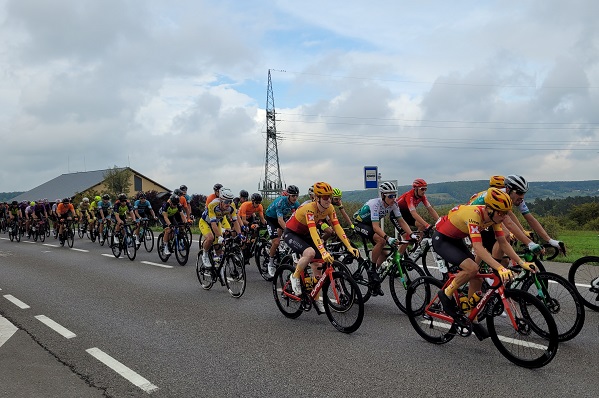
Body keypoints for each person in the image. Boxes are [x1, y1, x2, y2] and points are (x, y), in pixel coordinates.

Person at [433, 188, 537, 340]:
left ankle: (472, 319)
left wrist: (522, 262)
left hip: (456, 239)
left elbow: (502, 242)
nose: (504, 216)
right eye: (501, 213)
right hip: (442, 239)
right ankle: (446, 293)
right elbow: (478, 248)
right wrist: (500, 267)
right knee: (472, 268)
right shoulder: (474, 215)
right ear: (490, 209)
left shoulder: (494, 217)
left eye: (506, 213)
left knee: (477, 278)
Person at [283, 182, 360, 312]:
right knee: (310, 253)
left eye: (329, 197)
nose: (328, 200)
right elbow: (314, 231)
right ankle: (295, 276)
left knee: (318, 268)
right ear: (316, 198)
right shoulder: (309, 208)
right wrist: (323, 251)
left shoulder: (330, 208)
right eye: (325, 197)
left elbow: (337, 227)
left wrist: (348, 246)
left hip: (306, 234)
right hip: (292, 233)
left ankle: (316, 299)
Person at [469, 174, 565, 260]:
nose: (522, 196)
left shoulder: (513, 197)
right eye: (519, 193)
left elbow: (530, 219)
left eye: (523, 193)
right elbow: (509, 223)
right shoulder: (500, 198)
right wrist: (530, 243)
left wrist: (550, 240)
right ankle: (495, 271)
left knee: (505, 260)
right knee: (505, 234)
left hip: (488, 219)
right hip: (473, 220)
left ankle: (492, 272)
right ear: (508, 190)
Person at [353, 182, 417, 296]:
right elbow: (375, 227)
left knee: (385, 253)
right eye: (390, 196)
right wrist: (388, 238)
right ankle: (372, 269)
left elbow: (401, 221)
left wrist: (411, 234)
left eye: (394, 195)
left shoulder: (394, 204)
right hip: (360, 224)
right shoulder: (375, 204)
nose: (393, 199)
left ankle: (374, 278)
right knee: (382, 241)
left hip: (371, 225)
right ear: (383, 196)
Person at [264, 185, 300, 276]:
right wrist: (289, 230)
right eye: (293, 196)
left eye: (296, 196)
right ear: (288, 195)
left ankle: (281, 249)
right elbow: (280, 220)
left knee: (285, 235)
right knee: (276, 242)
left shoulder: (296, 204)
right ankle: (270, 263)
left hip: (281, 218)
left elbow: (298, 216)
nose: (295, 198)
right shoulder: (280, 201)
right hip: (271, 219)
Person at [199, 188, 241, 266]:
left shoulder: (232, 206)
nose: (228, 204)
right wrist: (219, 236)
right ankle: (205, 254)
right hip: (205, 222)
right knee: (210, 238)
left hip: (217, 222)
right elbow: (213, 224)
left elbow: (235, 221)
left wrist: (239, 234)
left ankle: (219, 270)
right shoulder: (213, 205)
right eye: (226, 201)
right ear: (221, 200)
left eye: (230, 201)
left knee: (218, 248)